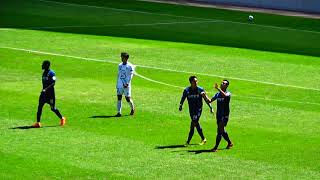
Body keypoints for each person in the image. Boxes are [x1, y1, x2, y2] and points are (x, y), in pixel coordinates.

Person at [179, 76, 213, 146]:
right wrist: (181, 105)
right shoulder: (187, 90)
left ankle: (202, 139)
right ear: (191, 82)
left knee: (195, 122)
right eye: (194, 81)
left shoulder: (200, 89)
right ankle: (188, 142)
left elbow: (205, 99)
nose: (196, 82)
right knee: (193, 124)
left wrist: (210, 107)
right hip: (191, 110)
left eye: (197, 81)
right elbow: (183, 98)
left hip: (198, 109)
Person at [33, 60, 66, 128]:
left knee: (53, 108)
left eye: (43, 64)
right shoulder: (44, 73)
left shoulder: (52, 73)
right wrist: (43, 90)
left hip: (50, 95)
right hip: (43, 94)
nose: (42, 65)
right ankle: (38, 123)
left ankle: (62, 118)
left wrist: (45, 89)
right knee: (40, 107)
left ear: (47, 65)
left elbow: (53, 83)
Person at [210, 80, 233, 152]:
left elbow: (225, 96)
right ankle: (229, 142)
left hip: (224, 115)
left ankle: (215, 147)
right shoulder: (217, 94)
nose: (222, 84)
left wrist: (218, 89)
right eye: (222, 83)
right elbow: (210, 100)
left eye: (224, 83)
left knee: (219, 130)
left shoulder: (228, 93)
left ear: (227, 86)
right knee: (221, 130)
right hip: (219, 115)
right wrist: (203, 95)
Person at [116, 52, 135, 117]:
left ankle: (132, 108)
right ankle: (119, 112)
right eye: (121, 57)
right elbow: (118, 75)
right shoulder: (119, 65)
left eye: (122, 57)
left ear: (126, 58)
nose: (121, 58)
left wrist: (127, 83)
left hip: (126, 85)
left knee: (127, 99)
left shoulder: (130, 66)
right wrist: (117, 84)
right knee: (119, 97)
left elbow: (131, 75)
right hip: (120, 84)